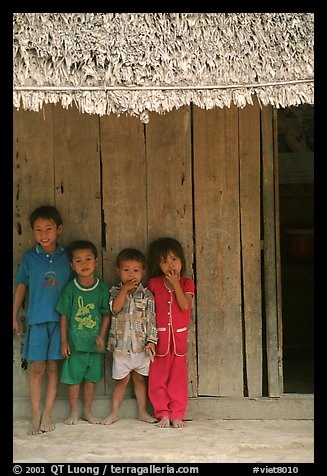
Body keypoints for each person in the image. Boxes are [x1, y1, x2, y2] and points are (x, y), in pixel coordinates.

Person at [13, 205, 73, 435]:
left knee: (53, 368)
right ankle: (35, 413)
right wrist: (14, 315)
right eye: (38, 230)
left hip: (61, 323)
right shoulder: (30, 258)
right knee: (37, 367)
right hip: (36, 320)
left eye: (49, 228)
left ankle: (48, 412)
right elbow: (21, 287)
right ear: (33, 232)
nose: (44, 234)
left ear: (59, 229)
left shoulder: (67, 257)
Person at [56, 240, 110, 425]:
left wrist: (101, 336)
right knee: (73, 381)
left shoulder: (102, 288)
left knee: (90, 380)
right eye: (78, 261)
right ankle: (73, 412)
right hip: (75, 345)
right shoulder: (71, 289)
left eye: (88, 259)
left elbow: (106, 315)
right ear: (72, 265)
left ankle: (87, 411)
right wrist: (64, 341)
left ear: (96, 261)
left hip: (94, 346)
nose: (84, 264)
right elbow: (64, 316)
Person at [102, 248, 158, 425]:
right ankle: (114, 412)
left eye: (135, 270)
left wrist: (152, 341)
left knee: (140, 379)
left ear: (143, 272)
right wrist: (124, 291)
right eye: (126, 270)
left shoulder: (148, 296)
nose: (131, 274)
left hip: (141, 346)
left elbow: (151, 320)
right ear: (118, 271)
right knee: (122, 380)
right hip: (122, 348)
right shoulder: (114, 291)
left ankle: (142, 411)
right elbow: (115, 309)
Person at [147, 237, 195, 428]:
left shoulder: (186, 284)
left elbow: (185, 306)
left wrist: (175, 284)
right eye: (164, 261)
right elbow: (148, 312)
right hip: (159, 340)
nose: (170, 264)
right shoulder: (153, 283)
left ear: (182, 260)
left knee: (178, 380)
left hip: (178, 341)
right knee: (157, 379)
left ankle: (177, 414)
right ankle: (162, 413)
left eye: (174, 259)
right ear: (158, 265)